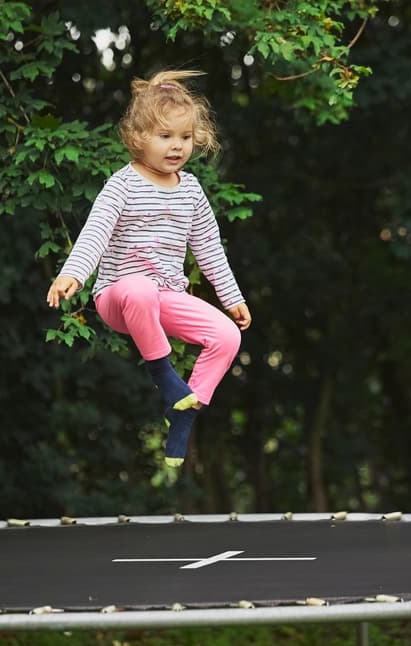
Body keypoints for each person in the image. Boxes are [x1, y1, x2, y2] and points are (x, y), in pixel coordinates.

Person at [46, 69, 251, 467]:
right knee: (139, 288)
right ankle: (165, 379)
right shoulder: (121, 185)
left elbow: (209, 248)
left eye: (185, 138)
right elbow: (95, 234)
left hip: (167, 297)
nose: (177, 147)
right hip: (118, 297)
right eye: (165, 137)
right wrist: (73, 273)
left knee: (227, 337)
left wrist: (233, 298)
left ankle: (183, 413)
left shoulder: (191, 190)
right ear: (138, 138)